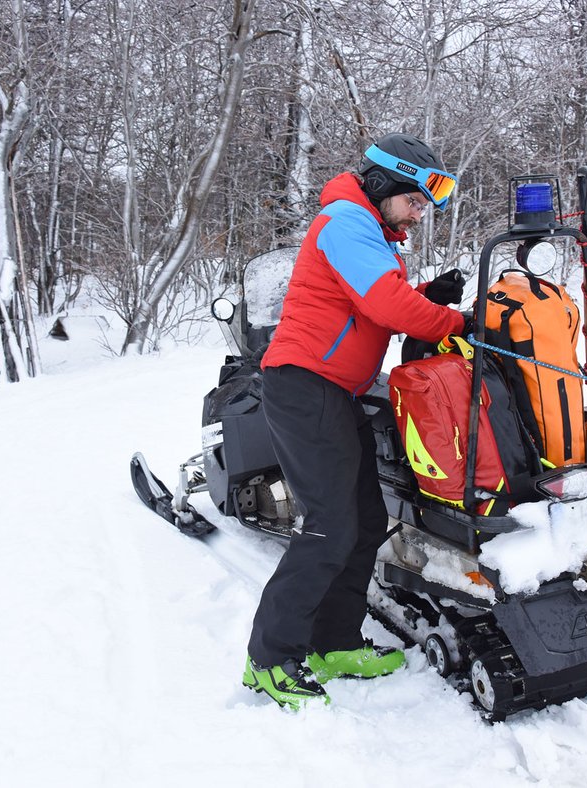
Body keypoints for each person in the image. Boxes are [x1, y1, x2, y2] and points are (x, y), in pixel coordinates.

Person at [242, 133, 468, 709]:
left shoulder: (370, 231)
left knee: (366, 522)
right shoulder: (345, 219)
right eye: (415, 201)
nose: (420, 214)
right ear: (385, 183)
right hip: (303, 384)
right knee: (328, 527)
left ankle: (333, 642)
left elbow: (379, 303)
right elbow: (387, 307)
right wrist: (455, 321)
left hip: (335, 391)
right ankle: (269, 659)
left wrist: (428, 297)